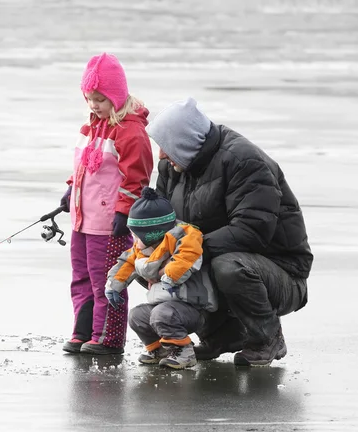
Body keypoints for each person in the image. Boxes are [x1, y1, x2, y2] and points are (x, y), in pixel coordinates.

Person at [147, 97, 313, 366]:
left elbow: (252, 231)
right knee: (152, 265)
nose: (161, 155)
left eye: (166, 147)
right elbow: (163, 220)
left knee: (227, 267)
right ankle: (222, 335)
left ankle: (267, 338)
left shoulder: (243, 161)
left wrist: (189, 252)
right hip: (212, 257)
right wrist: (154, 254)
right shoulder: (173, 165)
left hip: (281, 274)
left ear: (188, 141)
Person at [60, 53, 154, 355]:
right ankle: (83, 330)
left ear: (115, 95)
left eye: (99, 99)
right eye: (89, 98)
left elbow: (136, 178)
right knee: (82, 277)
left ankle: (107, 337)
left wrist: (123, 211)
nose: (93, 105)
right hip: (82, 219)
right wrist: (70, 191)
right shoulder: (90, 127)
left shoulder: (130, 130)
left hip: (108, 221)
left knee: (107, 279)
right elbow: (83, 169)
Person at [105, 186, 218, 369]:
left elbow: (187, 256)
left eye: (137, 233)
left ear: (152, 230)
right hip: (164, 304)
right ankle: (159, 349)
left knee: (162, 314)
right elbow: (126, 263)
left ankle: (184, 351)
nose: (135, 239)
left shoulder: (185, 235)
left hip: (191, 306)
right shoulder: (143, 247)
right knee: (137, 316)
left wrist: (169, 276)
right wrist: (113, 285)